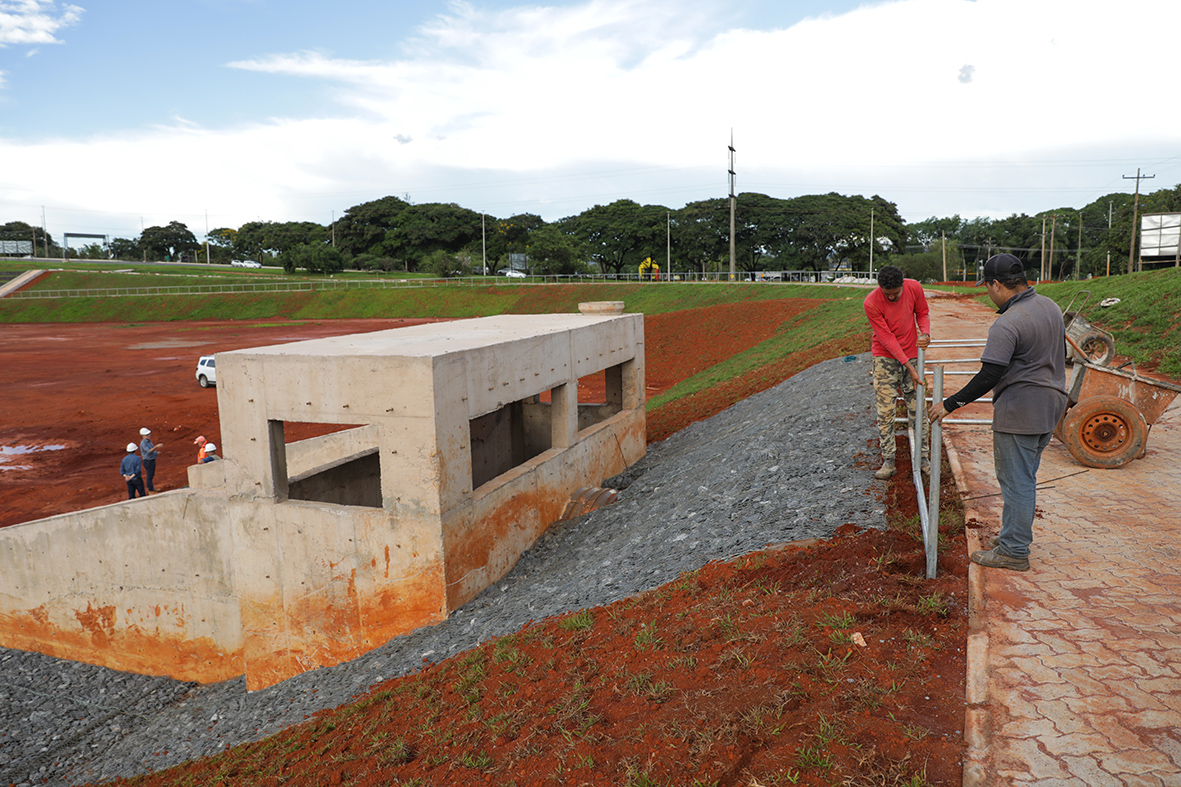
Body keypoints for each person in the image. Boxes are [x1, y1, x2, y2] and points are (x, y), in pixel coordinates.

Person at [929, 253, 1067, 571]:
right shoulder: (1050, 306)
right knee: (1025, 477)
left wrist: (949, 404)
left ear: (996, 284)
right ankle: (1012, 536)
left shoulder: (1007, 323)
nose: (987, 293)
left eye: (987, 287)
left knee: (1016, 481)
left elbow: (989, 376)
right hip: (1051, 405)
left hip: (1020, 409)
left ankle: (1014, 551)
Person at [863, 265, 931, 480]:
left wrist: (926, 333)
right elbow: (886, 338)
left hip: (912, 354)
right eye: (887, 294)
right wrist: (909, 367)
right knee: (885, 411)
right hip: (885, 357)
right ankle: (889, 460)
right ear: (880, 288)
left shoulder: (914, 288)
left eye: (896, 293)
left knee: (918, 408)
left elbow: (923, 313)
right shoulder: (871, 302)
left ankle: (923, 458)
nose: (892, 298)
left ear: (903, 285)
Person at [139, 427, 164, 493]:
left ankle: (152, 489)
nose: (149, 435)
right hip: (148, 461)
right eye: (147, 435)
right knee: (149, 476)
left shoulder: (148, 441)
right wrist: (156, 446)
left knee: (151, 475)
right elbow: (148, 451)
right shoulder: (143, 443)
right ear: (143, 436)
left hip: (151, 460)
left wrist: (156, 453)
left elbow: (151, 450)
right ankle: (150, 490)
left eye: (149, 434)